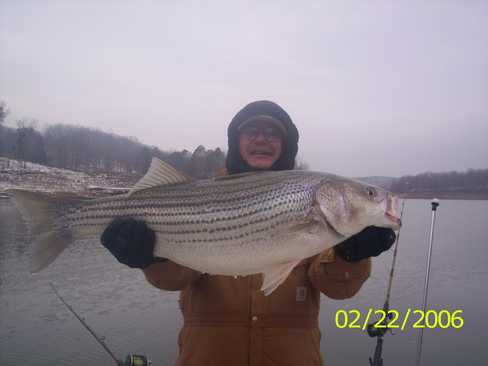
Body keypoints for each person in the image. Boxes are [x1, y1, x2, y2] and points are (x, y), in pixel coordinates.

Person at [101, 100, 395, 366]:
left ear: (286, 145)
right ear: (236, 141)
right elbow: (175, 279)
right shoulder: (203, 194)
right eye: (251, 131)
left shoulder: (313, 209)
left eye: (272, 133)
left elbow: (338, 289)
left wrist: (351, 255)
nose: (262, 139)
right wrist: (150, 258)